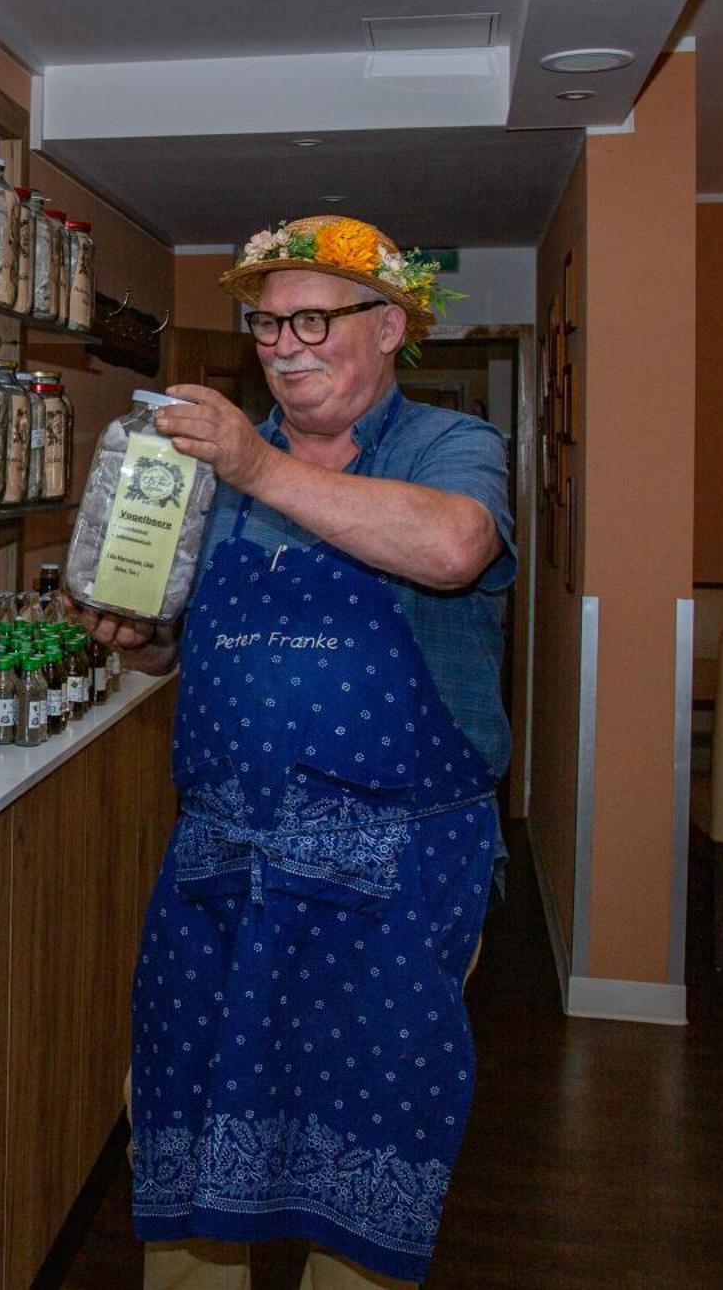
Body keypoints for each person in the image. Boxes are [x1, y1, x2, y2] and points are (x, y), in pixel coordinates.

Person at [82, 215, 513, 1289]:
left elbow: (454, 548)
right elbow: (177, 647)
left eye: (312, 317)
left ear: (391, 326)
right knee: (185, 1134)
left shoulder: (448, 448)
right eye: (266, 322)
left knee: (361, 1151)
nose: (284, 343)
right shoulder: (208, 475)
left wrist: (259, 464)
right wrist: (139, 636)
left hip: (394, 876)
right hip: (219, 864)